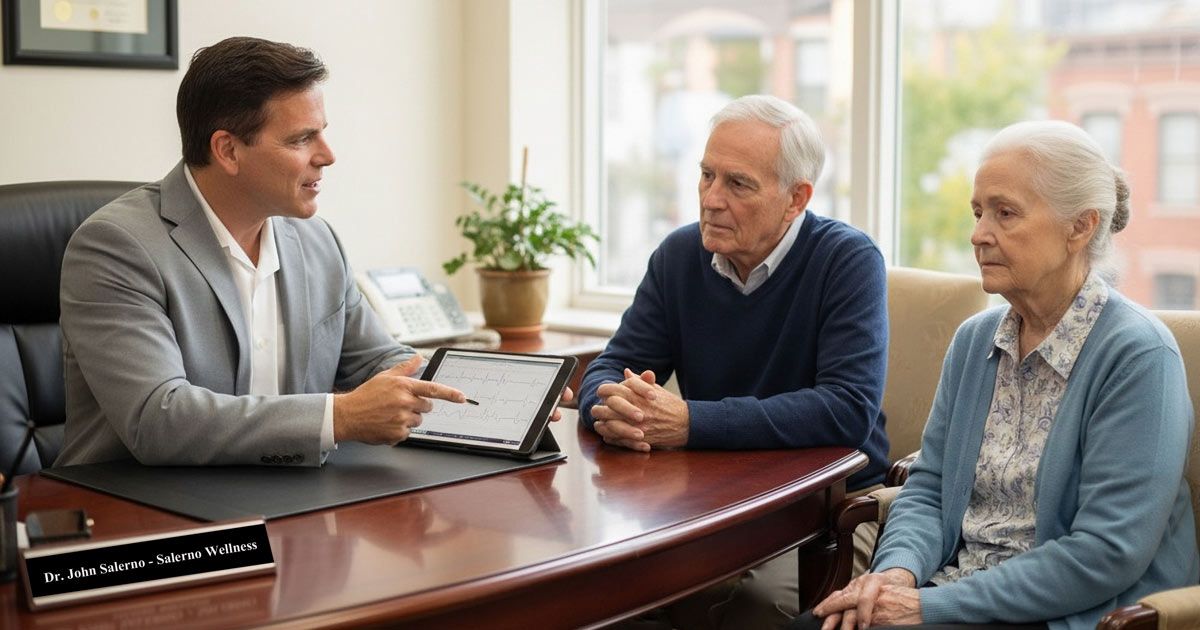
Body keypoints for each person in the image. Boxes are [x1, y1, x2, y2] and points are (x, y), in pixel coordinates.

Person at [56, 37, 567, 467]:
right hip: (144, 519)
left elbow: (379, 362)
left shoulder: (318, 241)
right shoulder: (116, 246)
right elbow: (157, 419)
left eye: (323, 132)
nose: (328, 155)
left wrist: (500, 396)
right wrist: (340, 417)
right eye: (303, 138)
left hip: (293, 501)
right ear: (228, 150)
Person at [799, 120, 1198, 630]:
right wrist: (898, 573)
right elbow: (930, 487)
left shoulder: (1139, 357)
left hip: (1073, 615)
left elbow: (1105, 552)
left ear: (1081, 227)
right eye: (977, 212)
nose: (978, 234)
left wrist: (927, 607)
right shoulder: (975, 340)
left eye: (1005, 213)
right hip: (949, 594)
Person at [580, 95, 890, 629]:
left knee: (751, 610)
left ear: (796, 199)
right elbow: (609, 369)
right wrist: (611, 406)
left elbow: (847, 410)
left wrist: (690, 422)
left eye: (737, 183)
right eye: (706, 175)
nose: (711, 199)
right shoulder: (679, 256)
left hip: (828, 508)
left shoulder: (847, 260)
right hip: (711, 501)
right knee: (600, 593)